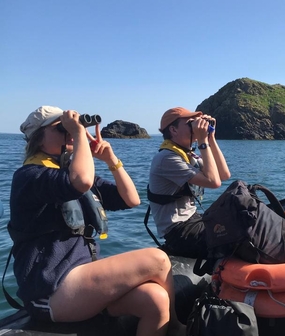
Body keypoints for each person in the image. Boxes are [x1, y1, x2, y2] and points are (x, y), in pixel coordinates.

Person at [8, 106, 184, 336]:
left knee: (155, 300)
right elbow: (80, 181)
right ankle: (178, 329)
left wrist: (111, 160)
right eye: (61, 128)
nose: (70, 132)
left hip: (82, 285)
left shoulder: (70, 174)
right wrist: (80, 134)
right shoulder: (30, 177)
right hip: (51, 291)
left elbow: (131, 199)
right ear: (39, 140)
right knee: (157, 258)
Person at [148, 107, 231, 258]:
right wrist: (203, 142)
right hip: (179, 232)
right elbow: (214, 182)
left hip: (193, 220)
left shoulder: (188, 155)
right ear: (173, 130)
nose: (196, 126)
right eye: (191, 123)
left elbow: (224, 174)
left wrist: (211, 138)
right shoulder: (167, 158)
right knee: (236, 237)